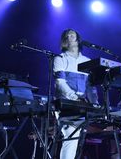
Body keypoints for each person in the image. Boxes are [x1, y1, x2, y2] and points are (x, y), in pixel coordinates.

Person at [53, 28, 99, 159]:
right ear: (64, 41)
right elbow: (60, 83)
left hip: (83, 104)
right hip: (66, 104)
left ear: (78, 39)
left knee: (79, 139)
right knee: (70, 136)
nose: (69, 38)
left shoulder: (87, 60)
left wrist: (95, 104)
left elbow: (90, 86)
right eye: (66, 36)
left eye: (72, 35)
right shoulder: (59, 58)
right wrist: (74, 98)